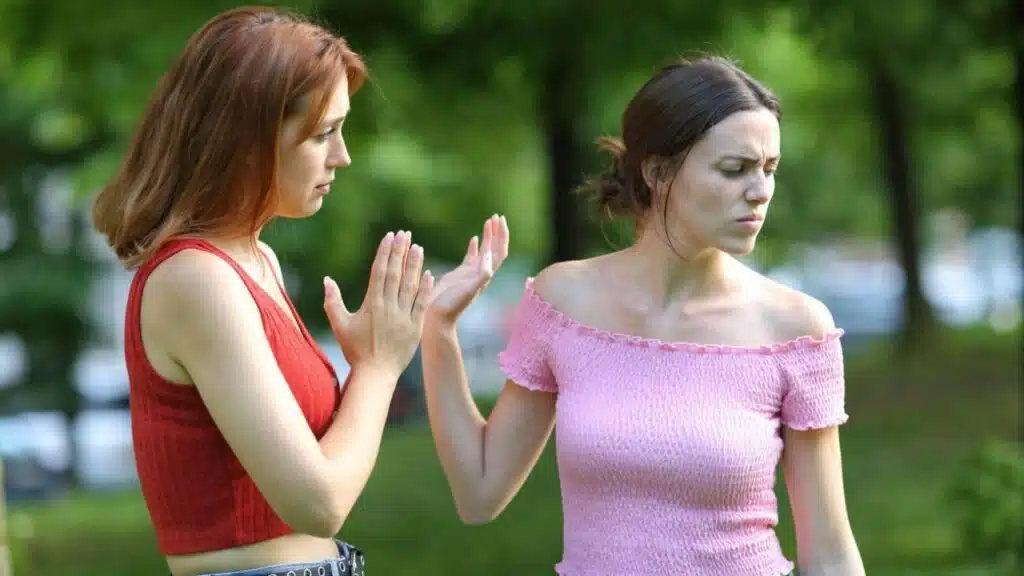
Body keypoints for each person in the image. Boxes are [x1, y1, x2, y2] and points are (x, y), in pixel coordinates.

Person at [421, 57, 867, 575]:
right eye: (735, 169)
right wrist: (439, 331)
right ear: (657, 171)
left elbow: (830, 552)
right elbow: (479, 493)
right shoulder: (564, 303)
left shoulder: (796, 331)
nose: (761, 190)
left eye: (769, 169)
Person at [91, 7, 433, 576]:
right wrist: (379, 367)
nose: (341, 156)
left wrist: (363, 369)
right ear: (246, 140)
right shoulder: (195, 280)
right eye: (323, 133)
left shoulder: (254, 260)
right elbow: (318, 503)